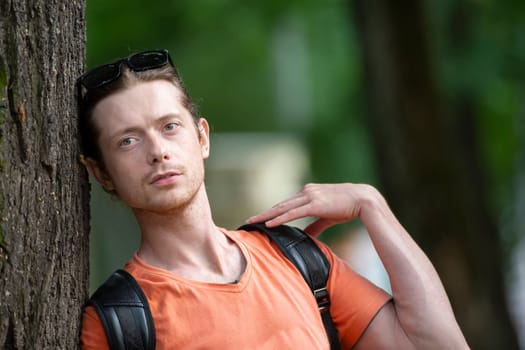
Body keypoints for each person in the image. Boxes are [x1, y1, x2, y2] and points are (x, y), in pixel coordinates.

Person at [77, 49, 469, 349]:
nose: (158, 151)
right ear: (102, 173)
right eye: (128, 140)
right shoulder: (120, 321)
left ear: (202, 138)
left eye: (170, 127)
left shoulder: (298, 261)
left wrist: (372, 204)